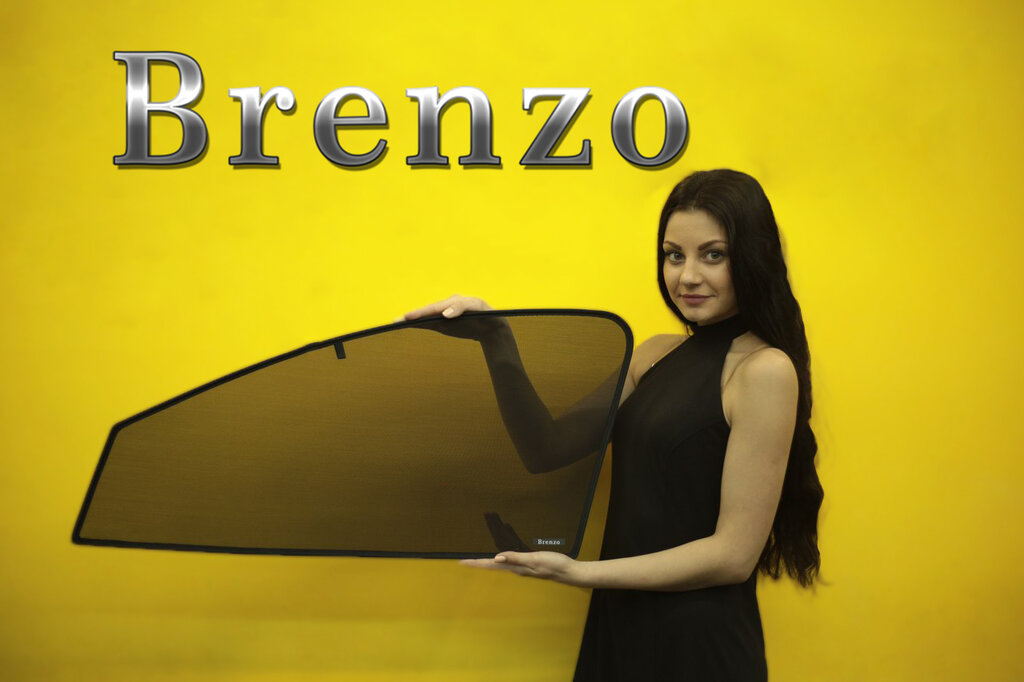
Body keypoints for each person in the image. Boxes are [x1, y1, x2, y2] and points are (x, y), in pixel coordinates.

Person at [399, 169, 823, 681]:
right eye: (674, 255)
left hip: (698, 644)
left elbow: (733, 556)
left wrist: (581, 573)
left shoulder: (764, 371)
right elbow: (546, 447)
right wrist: (498, 338)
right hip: (619, 625)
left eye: (713, 255)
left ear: (752, 258)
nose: (688, 276)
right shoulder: (653, 355)